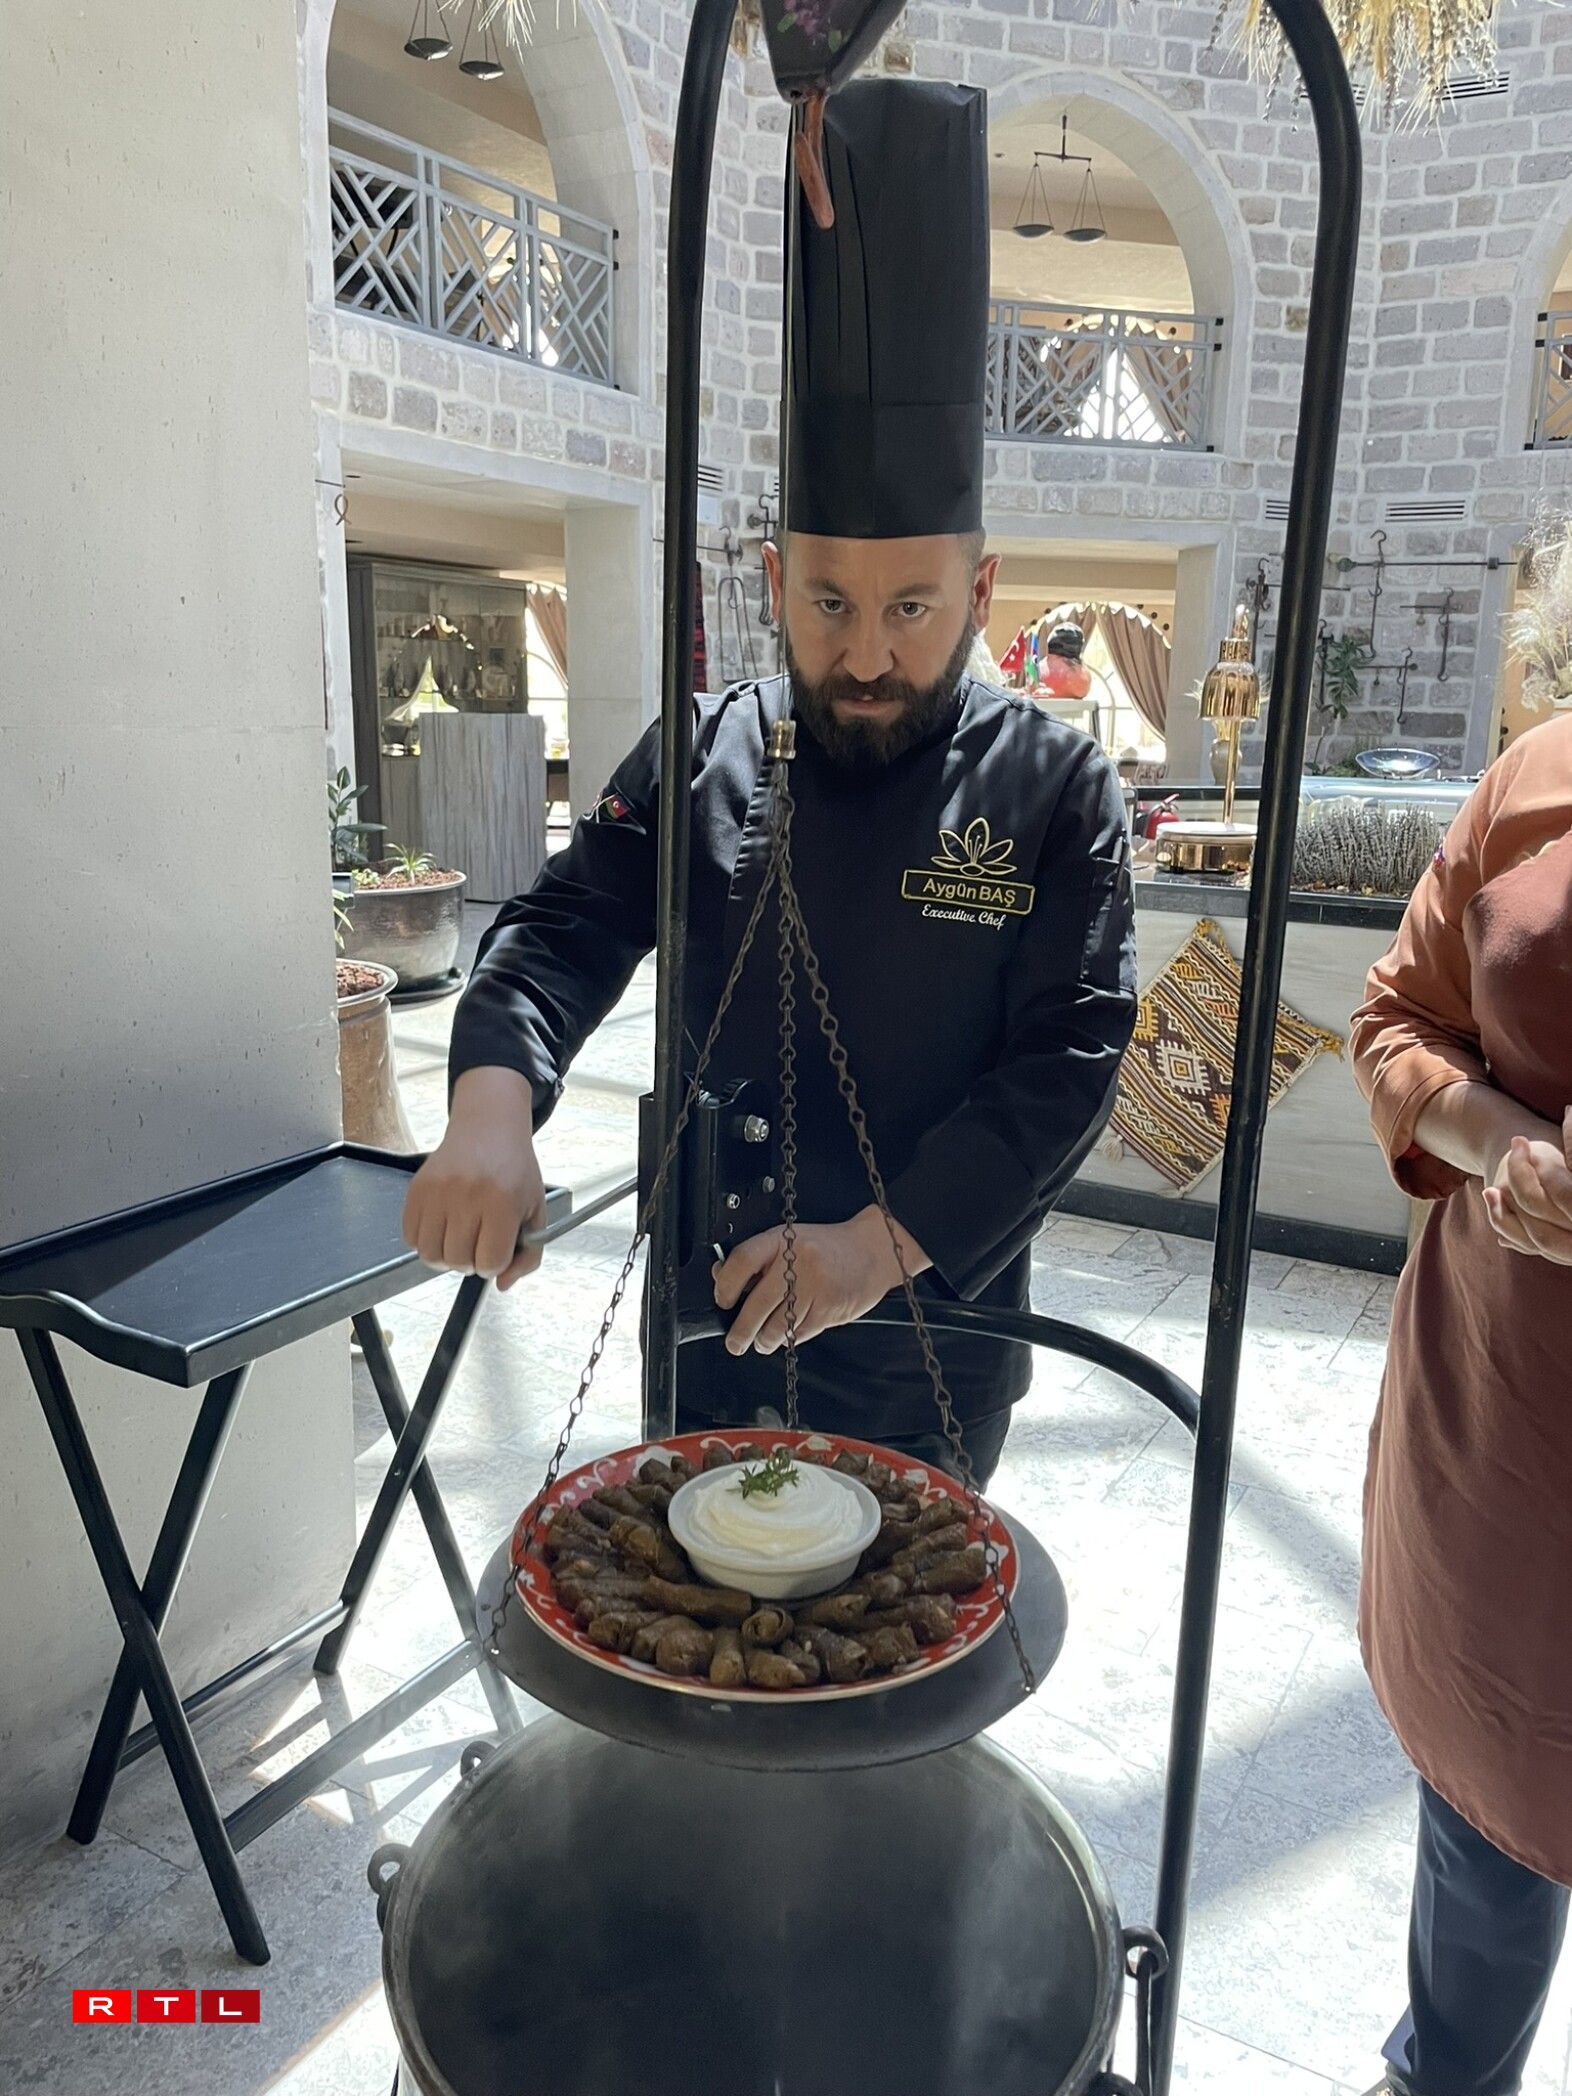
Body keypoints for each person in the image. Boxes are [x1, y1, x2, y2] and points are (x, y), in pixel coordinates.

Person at [402, 81, 1137, 1486]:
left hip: (930, 1339)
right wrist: (491, 1107)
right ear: (771, 577)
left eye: (912, 609)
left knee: (902, 1608)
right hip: (710, 1322)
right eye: (827, 603)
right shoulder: (703, 746)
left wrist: (876, 1247)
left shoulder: (1055, 785)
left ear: (982, 589)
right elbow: (561, 931)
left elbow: (1067, 1062)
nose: (865, 655)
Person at [1350, 713, 1572, 2096]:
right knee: (1485, 1814)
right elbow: (1397, 1023)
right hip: (1510, 1421)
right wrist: (1509, 1147)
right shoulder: (1537, 775)